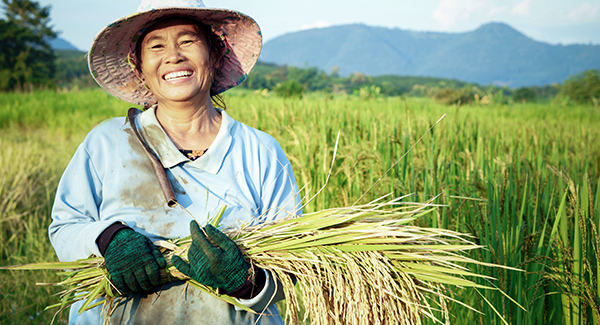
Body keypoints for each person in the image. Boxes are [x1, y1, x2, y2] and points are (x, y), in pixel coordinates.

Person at [48, 0, 302, 324]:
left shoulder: (259, 151)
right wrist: (110, 238)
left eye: (187, 41)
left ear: (214, 55)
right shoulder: (108, 142)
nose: (173, 56)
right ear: (139, 67)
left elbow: (291, 264)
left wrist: (244, 282)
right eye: (156, 46)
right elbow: (65, 229)